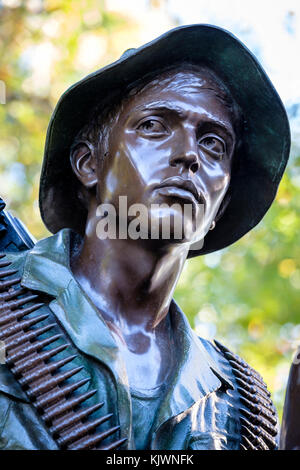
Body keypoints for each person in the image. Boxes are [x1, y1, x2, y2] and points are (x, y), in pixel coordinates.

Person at [0, 24, 290, 450]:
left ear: (220, 207)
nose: (189, 154)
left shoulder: (241, 401)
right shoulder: (9, 307)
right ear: (89, 164)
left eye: (213, 143)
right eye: (155, 126)